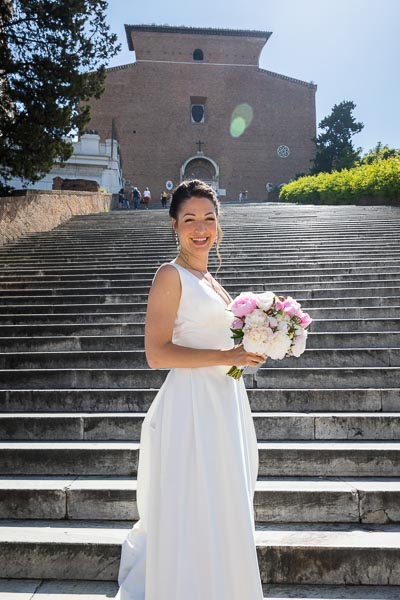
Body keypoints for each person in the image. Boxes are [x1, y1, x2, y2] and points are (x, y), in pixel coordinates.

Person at [114, 179, 266, 600]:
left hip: (225, 402)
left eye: (209, 218)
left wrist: (259, 345)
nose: (201, 228)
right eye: (190, 219)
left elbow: (220, 343)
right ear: (174, 225)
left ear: (219, 223)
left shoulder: (214, 282)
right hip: (191, 406)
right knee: (193, 505)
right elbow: (157, 354)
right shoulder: (170, 274)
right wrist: (227, 357)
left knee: (222, 503)